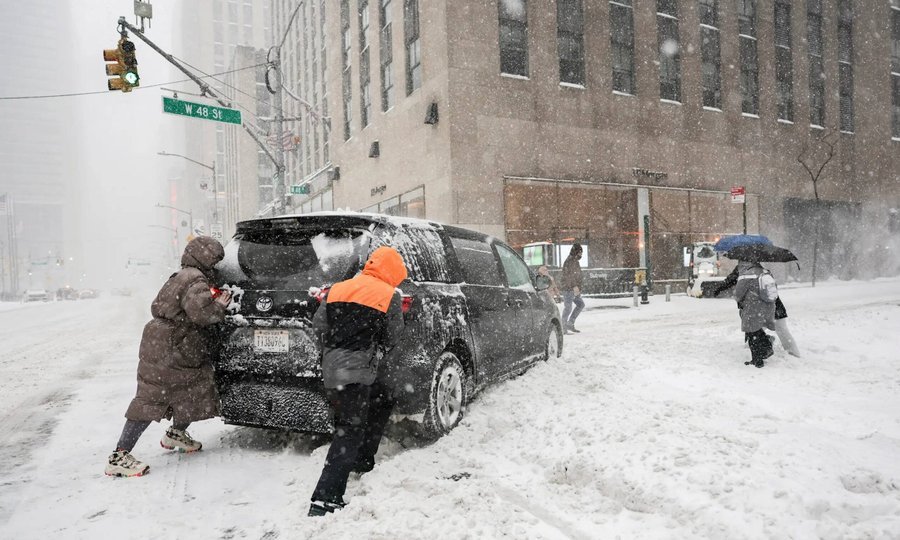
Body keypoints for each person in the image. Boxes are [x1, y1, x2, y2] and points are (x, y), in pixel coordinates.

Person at [105, 236, 232, 477]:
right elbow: (201, 313)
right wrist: (220, 306)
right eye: (214, 260)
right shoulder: (195, 278)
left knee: (195, 390)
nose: (216, 265)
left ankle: (176, 434)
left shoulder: (186, 275)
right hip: (172, 346)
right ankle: (119, 455)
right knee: (152, 399)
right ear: (205, 258)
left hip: (170, 343)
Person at [308, 246, 407, 517]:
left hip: (333, 367)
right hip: (358, 369)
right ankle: (324, 499)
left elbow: (319, 325)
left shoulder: (339, 288)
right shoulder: (389, 296)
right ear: (393, 273)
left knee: (382, 398)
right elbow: (392, 337)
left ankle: (362, 459)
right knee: (348, 429)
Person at [710, 266, 800, 357]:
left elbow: (732, 283)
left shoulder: (744, 270)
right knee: (766, 329)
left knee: (772, 329)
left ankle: (790, 353)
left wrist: (718, 288)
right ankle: (768, 344)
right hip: (772, 306)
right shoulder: (762, 269)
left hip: (762, 308)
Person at [733, 260, 775, 368]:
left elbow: (738, 294)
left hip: (752, 307)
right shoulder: (765, 272)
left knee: (752, 333)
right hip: (766, 306)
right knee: (756, 330)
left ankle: (758, 359)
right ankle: (766, 346)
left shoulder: (746, 275)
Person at [560, 244, 585, 334]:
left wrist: (578, 287)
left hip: (574, 289)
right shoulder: (570, 261)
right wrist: (574, 286)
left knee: (580, 304)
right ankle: (563, 327)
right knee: (568, 308)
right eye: (580, 252)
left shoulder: (574, 261)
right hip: (568, 288)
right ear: (576, 252)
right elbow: (569, 276)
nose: (581, 254)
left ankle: (570, 323)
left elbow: (577, 275)